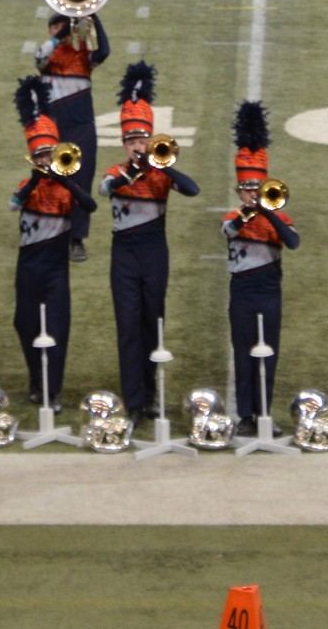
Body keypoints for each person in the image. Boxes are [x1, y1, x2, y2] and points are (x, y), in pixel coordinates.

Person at [102, 62, 199, 420]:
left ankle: (151, 393)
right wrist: (132, 170)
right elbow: (104, 190)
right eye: (131, 140)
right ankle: (134, 399)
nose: (137, 145)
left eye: (142, 139)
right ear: (123, 143)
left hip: (154, 252)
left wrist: (162, 165)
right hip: (124, 254)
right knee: (128, 326)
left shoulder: (160, 175)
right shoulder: (116, 172)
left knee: (152, 322)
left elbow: (191, 189)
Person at [11, 76, 94, 406]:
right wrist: (35, 180)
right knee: (25, 324)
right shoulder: (25, 185)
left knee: (58, 329)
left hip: (56, 270)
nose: (46, 160)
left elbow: (90, 205)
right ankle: (36, 379)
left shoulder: (66, 186)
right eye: (41, 155)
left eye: (49, 154)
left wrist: (67, 181)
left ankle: (53, 390)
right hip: (28, 267)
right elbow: (13, 204)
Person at [222, 101, 298, 430]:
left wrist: (267, 213)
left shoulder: (279, 218)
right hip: (242, 290)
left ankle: (265, 412)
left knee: (268, 352)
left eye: (257, 189)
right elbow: (229, 231)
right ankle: (245, 415)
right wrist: (247, 213)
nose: (252, 195)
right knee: (243, 353)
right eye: (246, 190)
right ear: (239, 191)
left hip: (269, 291)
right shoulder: (231, 217)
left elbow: (293, 242)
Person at [34, 5, 110, 263]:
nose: (60, 30)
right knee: (49, 180)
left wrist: (94, 14)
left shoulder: (83, 57)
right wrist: (63, 31)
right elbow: (41, 55)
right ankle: (50, 234)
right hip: (52, 129)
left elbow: (105, 51)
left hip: (82, 127)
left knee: (81, 182)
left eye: (62, 26)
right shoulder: (45, 56)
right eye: (55, 27)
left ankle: (76, 239)